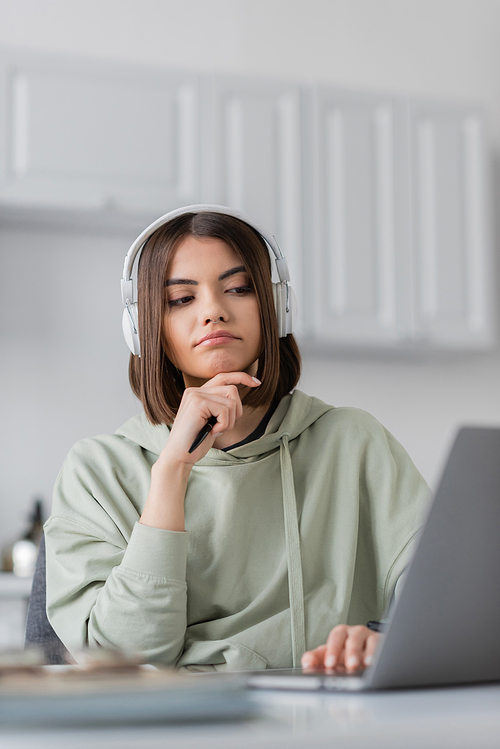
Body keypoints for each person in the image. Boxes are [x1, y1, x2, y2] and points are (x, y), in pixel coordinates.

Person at [44, 205, 430, 673]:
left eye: (239, 288)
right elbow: (124, 663)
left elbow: (448, 595)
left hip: (331, 720)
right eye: (181, 299)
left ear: (275, 308)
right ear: (146, 331)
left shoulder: (354, 442)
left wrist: (381, 639)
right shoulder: (97, 470)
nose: (214, 311)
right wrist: (171, 472)